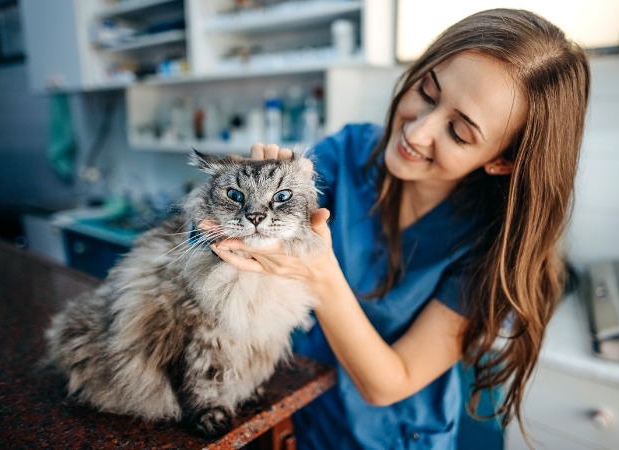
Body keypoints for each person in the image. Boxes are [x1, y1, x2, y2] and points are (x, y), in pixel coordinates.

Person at [202, 8, 589, 449]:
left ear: (500, 161)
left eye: (459, 133)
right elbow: (246, 244)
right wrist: (250, 207)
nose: (418, 131)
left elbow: (389, 382)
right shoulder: (349, 153)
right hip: (302, 418)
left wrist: (323, 278)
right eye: (427, 90)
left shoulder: (489, 247)